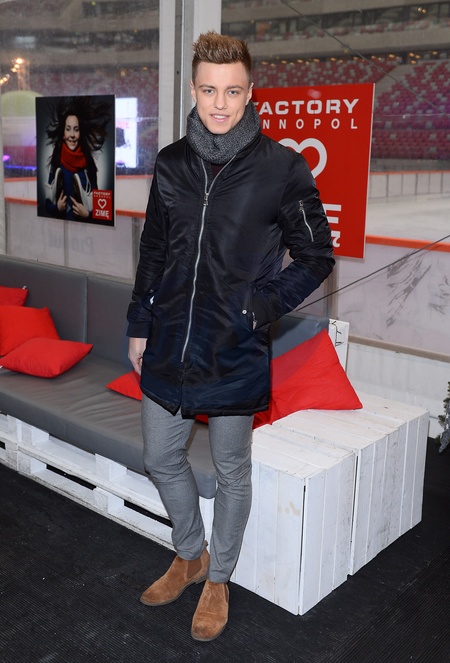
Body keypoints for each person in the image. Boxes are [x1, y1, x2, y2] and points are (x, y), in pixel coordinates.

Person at [127, 31, 334, 642]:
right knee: (159, 457)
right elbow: (154, 249)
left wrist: (261, 307)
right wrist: (139, 322)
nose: (220, 104)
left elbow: (317, 255)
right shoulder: (171, 163)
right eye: (209, 90)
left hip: (233, 346)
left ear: (250, 92)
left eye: (233, 91)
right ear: (193, 90)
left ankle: (218, 578)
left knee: (231, 470)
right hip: (168, 339)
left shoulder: (282, 168)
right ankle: (189, 552)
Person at [44, 96, 110, 220]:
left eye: (76, 130)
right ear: (63, 134)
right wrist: (57, 207)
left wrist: (87, 214)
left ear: (80, 133)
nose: (72, 135)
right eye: (68, 129)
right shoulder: (56, 163)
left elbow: (101, 208)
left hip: (85, 229)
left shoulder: (88, 164)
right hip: (61, 228)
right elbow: (47, 205)